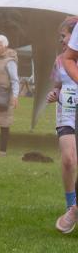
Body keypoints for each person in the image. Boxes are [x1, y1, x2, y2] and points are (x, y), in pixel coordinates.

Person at [46, 17, 78, 233]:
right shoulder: (60, 61)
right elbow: (58, 85)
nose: (62, 40)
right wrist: (55, 93)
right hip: (66, 113)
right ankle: (70, 204)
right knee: (68, 159)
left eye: (64, 36)